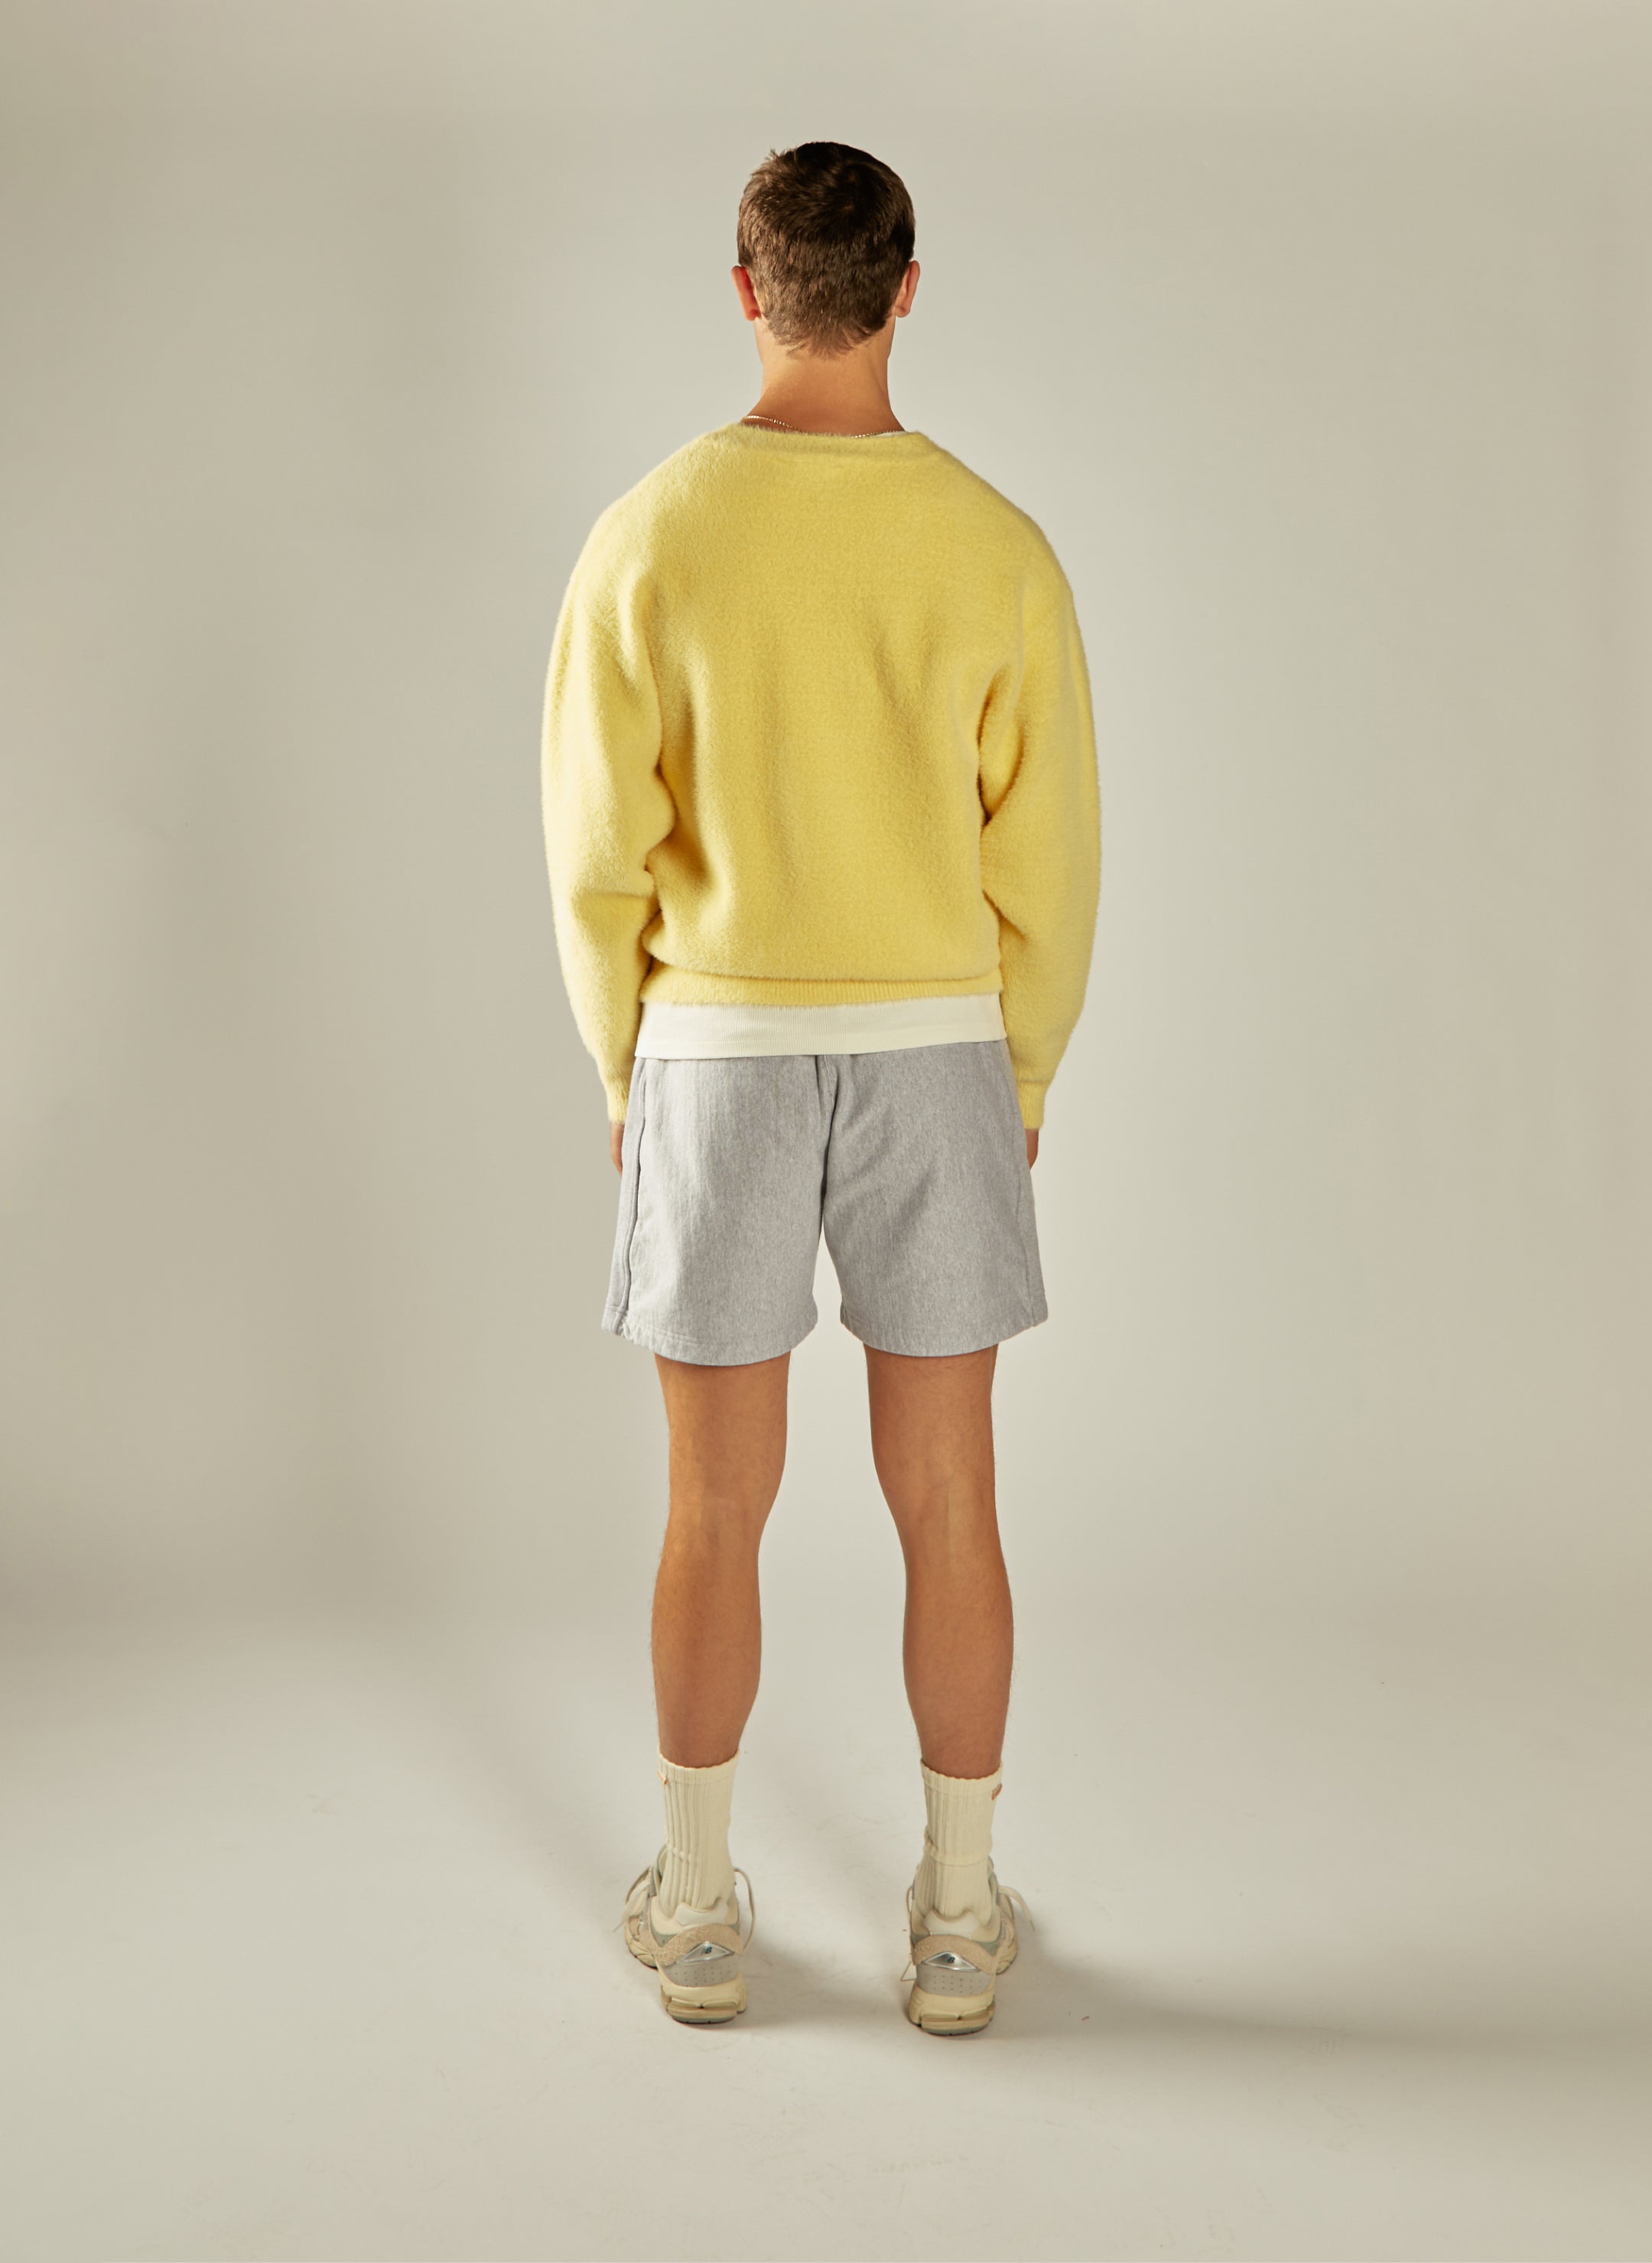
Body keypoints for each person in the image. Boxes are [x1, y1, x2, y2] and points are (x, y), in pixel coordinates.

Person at [540, 140, 1101, 2034]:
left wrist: (623, 1060)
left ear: (747, 288)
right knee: (951, 1494)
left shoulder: (650, 536)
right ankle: (958, 1915)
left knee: (713, 1507)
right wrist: (1024, 1057)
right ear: (908, 289)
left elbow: (596, 854)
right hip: (939, 1048)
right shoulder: (996, 546)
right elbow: (1050, 852)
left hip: (718, 1056)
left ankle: (699, 1911)